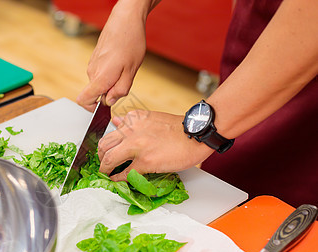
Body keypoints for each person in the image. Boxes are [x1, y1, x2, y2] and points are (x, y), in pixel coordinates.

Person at [76, 0, 318, 207]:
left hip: (301, 56)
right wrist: (130, 11)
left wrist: (195, 132)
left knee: (272, 204)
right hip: (265, 31)